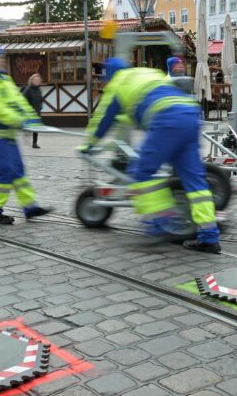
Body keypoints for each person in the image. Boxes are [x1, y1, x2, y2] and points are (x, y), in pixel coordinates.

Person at [80, 58, 220, 254]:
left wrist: (89, 144)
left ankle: (161, 225)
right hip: (189, 115)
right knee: (195, 181)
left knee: (141, 171)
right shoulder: (148, 73)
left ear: (109, 76)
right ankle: (209, 237)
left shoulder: (118, 84)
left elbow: (104, 119)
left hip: (167, 119)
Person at [0, 44, 51, 224]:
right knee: (5, 173)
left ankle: (30, 207)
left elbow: (19, 101)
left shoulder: (4, 78)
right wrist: (19, 121)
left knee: (18, 172)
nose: (2, 59)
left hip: (8, 135)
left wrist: (33, 120)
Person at [22, 73, 44, 149]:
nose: (37, 81)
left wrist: (40, 107)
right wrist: (28, 109)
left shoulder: (39, 89)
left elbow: (41, 100)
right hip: (30, 112)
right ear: (31, 80)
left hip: (37, 111)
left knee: (36, 128)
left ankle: (34, 143)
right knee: (30, 127)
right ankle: (26, 133)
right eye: (35, 80)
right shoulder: (28, 89)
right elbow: (23, 100)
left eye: (38, 80)